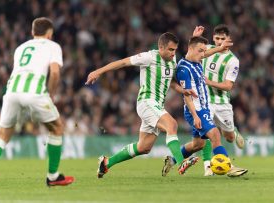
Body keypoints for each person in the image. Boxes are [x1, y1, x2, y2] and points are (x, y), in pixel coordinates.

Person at [86, 32, 203, 178]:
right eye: (171, 50)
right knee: (171, 125)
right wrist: (98, 71)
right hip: (146, 101)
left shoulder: (172, 61)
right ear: (161, 47)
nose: (174, 53)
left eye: (175, 50)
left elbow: (171, 83)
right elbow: (123, 62)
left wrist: (183, 90)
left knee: (144, 147)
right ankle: (181, 162)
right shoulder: (149, 57)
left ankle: (106, 163)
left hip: (157, 105)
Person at [0, 17, 74, 190]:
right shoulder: (53, 46)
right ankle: (53, 176)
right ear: (49, 33)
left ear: (33, 32)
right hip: (35, 93)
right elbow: (55, 73)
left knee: (2, 135)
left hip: (11, 92)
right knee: (56, 128)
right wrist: (51, 94)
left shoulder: (21, 48)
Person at [161, 36, 248, 177]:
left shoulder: (196, 61)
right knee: (215, 135)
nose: (203, 54)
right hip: (196, 110)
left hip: (203, 108)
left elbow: (204, 53)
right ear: (191, 49)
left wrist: (220, 48)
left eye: (204, 51)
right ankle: (229, 167)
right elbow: (187, 95)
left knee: (198, 145)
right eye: (200, 51)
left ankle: (172, 159)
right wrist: (195, 116)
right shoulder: (184, 69)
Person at [195, 24, 245, 176]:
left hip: (222, 102)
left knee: (228, 138)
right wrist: (195, 36)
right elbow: (191, 53)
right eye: (217, 38)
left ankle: (234, 132)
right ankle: (208, 166)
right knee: (210, 133)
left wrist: (208, 81)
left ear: (229, 40)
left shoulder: (233, 60)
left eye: (223, 39)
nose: (219, 42)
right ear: (213, 38)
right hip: (204, 100)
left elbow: (228, 86)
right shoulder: (207, 50)